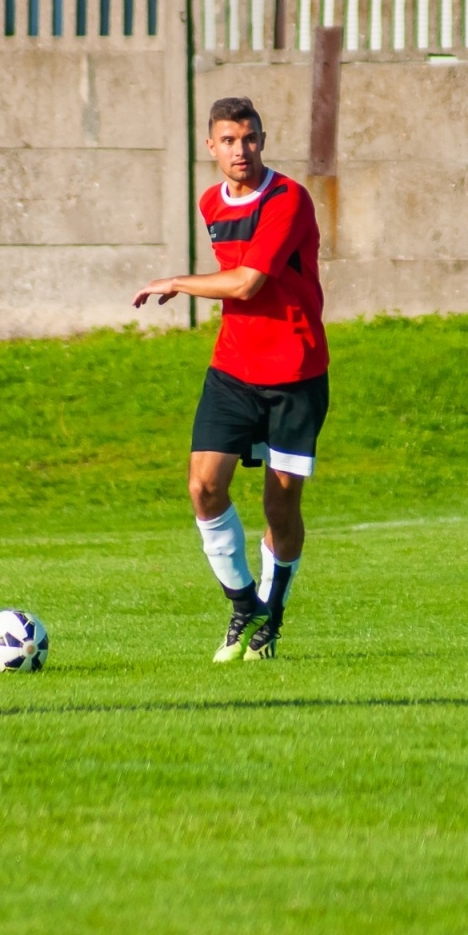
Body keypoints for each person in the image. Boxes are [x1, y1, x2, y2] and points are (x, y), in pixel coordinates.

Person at [134, 96, 329, 663]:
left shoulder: (288, 198)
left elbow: (246, 283)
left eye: (249, 138)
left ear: (262, 140)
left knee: (280, 510)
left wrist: (178, 281)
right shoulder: (210, 203)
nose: (240, 150)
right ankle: (244, 605)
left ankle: (273, 615)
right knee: (203, 488)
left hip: (295, 373)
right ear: (211, 146)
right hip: (233, 370)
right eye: (228, 140)